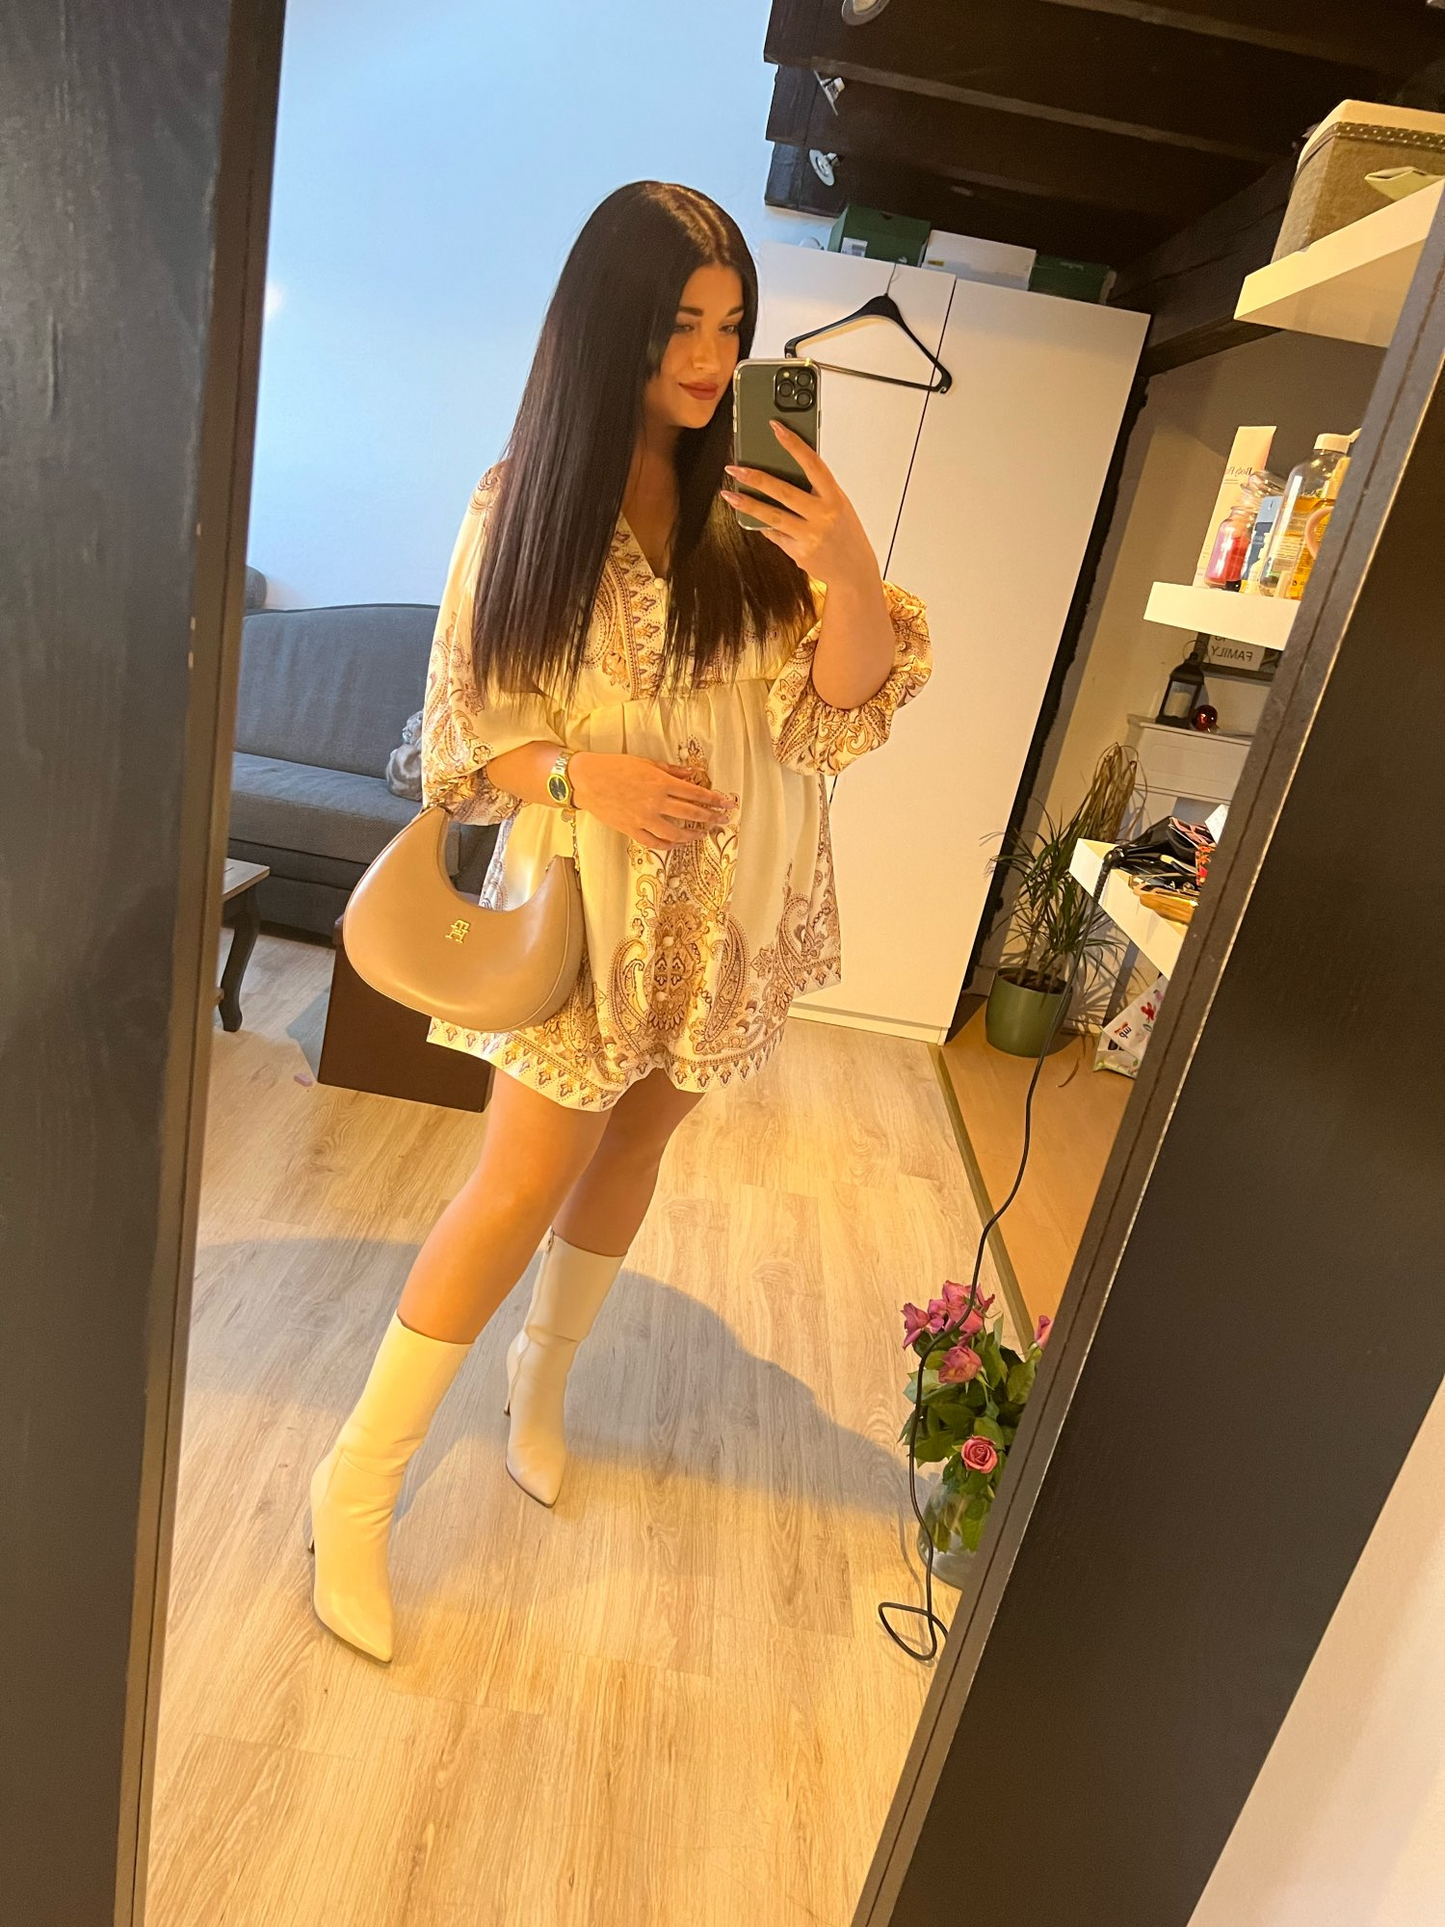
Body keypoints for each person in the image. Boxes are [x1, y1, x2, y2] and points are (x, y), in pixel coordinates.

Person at [304, 181, 931, 1662]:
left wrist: (846, 568)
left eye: (732, 326)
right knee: (515, 1182)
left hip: (739, 900)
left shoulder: (760, 504)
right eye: (678, 326)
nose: (712, 360)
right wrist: (591, 775)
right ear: (609, 328)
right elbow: (465, 741)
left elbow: (837, 714)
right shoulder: (523, 503)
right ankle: (357, 1485)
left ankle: (543, 1378)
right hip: (589, 902)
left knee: (639, 1144)